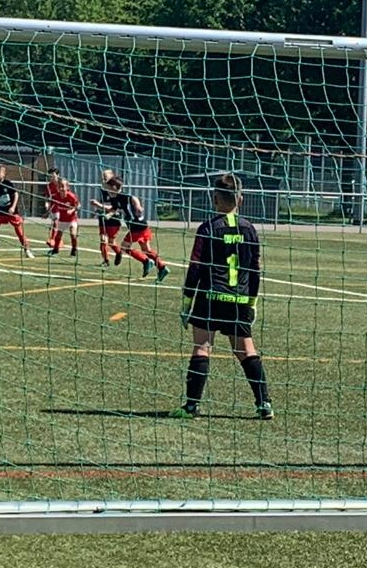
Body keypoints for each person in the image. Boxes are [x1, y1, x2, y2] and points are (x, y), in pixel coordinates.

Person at [172, 173, 271, 419]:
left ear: (215, 198)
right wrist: (252, 302)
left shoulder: (207, 228)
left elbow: (195, 267)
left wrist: (187, 301)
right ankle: (264, 404)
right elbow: (255, 270)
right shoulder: (249, 229)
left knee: (202, 347)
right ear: (241, 199)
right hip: (239, 300)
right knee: (246, 350)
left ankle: (191, 406)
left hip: (210, 298)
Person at [99, 174, 169, 281]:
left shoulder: (125, 196)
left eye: (108, 188)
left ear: (114, 188)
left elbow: (133, 198)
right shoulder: (115, 198)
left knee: (124, 247)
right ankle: (162, 267)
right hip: (138, 227)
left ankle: (146, 262)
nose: (107, 190)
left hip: (137, 226)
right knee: (147, 250)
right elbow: (115, 208)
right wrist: (109, 214)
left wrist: (138, 207)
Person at [0, 163, 33, 258]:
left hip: (11, 212)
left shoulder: (8, 184)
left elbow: (16, 194)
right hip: (1, 211)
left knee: (19, 231)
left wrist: (13, 207)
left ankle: (27, 250)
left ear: (4, 174)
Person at [90, 168, 126, 266]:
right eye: (103, 177)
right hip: (103, 218)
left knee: (111, 242)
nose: (103, 179)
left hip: (114, 219)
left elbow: (114, 208)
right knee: (103, 240)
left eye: (105, 177)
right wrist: (96, 211)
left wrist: (98, 205)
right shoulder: (103, 190)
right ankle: (106, 261)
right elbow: (103, 203)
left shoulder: (117, 190)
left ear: (112, 176)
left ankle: (118, 252)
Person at [43, 169, 81, 256]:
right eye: (60, 187)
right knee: (58, 236)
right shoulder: (57, 196)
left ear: (67, 187)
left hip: (72, 219)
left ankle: (74, 249)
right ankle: (55, 250)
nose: (61, 188)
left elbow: (78, 205)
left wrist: (72, 210)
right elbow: (53, 204)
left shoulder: (71, 196)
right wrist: (47, 213)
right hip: (62, 219)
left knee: (73, 235)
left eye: (63, 186)